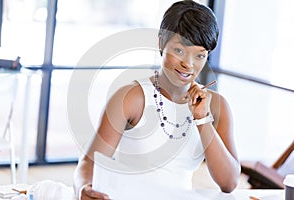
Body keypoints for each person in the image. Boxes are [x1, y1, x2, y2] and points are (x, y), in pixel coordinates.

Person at [73, 1, 241, 199]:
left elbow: (229, 183)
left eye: (199, 55)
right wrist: (84, 189)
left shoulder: (216, 106)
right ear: (161, 42)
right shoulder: (131, 97)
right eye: (179, 50)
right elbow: (88, 163)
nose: (188, 64)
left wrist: (202, 119)